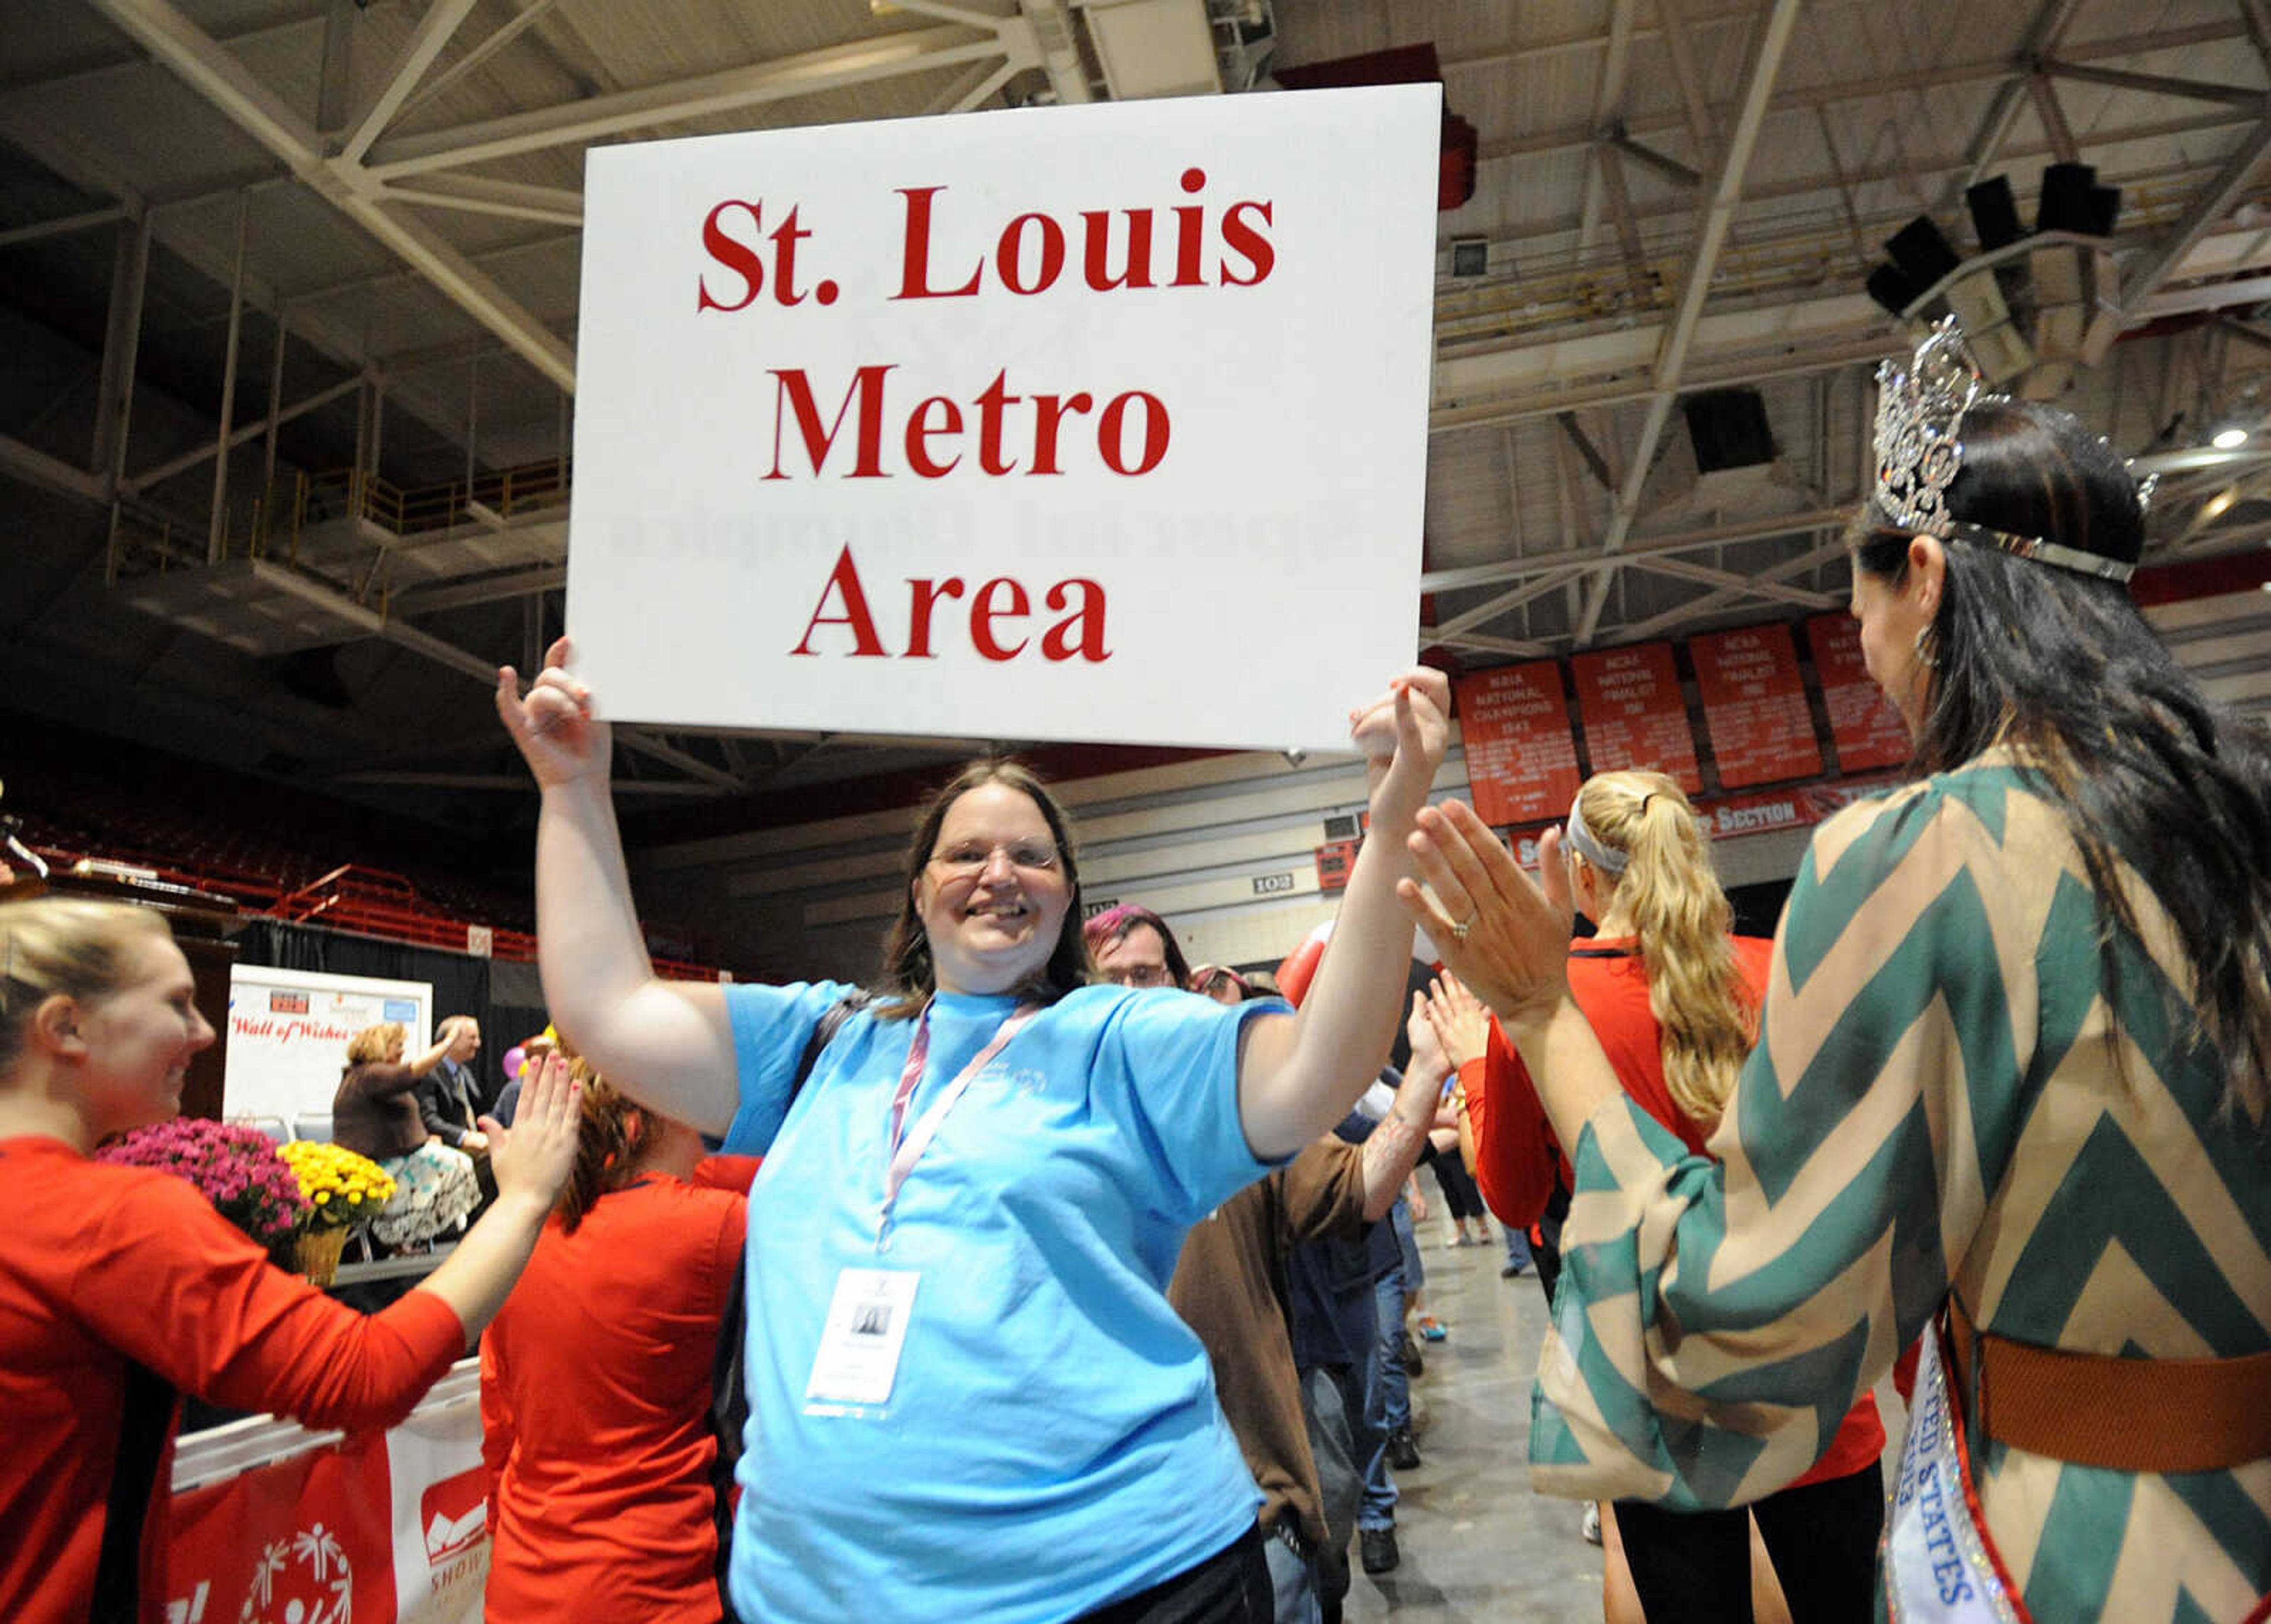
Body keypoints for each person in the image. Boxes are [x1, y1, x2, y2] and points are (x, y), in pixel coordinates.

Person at [1400, 325, 2271, 1620]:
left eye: (1856, 598)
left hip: (2082, 1544)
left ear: (1922, 577)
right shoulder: (2239, 814)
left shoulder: (1918, 851)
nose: (1856, 635)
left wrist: (1537, 1011)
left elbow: (1745, 1306)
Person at [495, 637, 1449, 1622]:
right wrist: (572, 791)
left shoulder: (1122, 1039)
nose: (1000, 873)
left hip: (1124, 1587)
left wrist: (1389, 817)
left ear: (1067, 895)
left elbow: (1315, 1072)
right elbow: (606, 1010)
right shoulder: (825, 1042)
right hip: (811, 1598)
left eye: (1032, 855)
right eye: (967, 853)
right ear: (919, 891)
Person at [0, 896, 583, 1624]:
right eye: (178, 1004)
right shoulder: (107, 1220)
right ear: (65, 1027)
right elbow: (367, 1374)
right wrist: (525, 1199)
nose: (204, 1030)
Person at [1430, 769, 1885, 1620]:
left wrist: (1471, 1066)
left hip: (1656, 1393)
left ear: (1583, 876)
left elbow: (1514, 1193)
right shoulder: (1781, 970)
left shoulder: (1547, 1005)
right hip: (1813, 1374)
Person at [1091, 905, 1442, 1624]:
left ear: (1178, 984)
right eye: (1112, 978)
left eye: (1147, 974)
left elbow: (1359, 1183)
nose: (1132, 992)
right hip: (1113, 1522)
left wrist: (1428, 1072)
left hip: (1250, 1498)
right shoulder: (1053, 1123)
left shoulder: (1229, 1105)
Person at [481, 1062, 748, 1624]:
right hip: (658, 1586)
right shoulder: (714, 1228)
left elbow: (499, 1424)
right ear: (638, 1123)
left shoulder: (511, 1236)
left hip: (523, 1582)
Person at [333, 1021, 483, 1248]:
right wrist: (448, 1044)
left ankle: (416, 1236)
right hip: (377, 1165)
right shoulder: (370, 1074)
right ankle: (409, 1235)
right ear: (380, 1046)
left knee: (457, 1162)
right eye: (398, 1045)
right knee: (460, 1164)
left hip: (396, 1156)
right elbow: (412, 1071)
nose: (403, 1050)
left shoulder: (368, 1077)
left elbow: (393, 1121)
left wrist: (424, 1138)